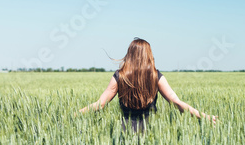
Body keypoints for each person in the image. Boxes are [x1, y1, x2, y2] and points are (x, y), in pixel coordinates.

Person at [79, 38, 217, 132]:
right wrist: (204, 116)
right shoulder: (156, 76)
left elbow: (100, 104)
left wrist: (75, 115)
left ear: (130, 54)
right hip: (151, 131)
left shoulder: (119, 76)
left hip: (125, 131)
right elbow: (176, 102)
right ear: (148, 55)